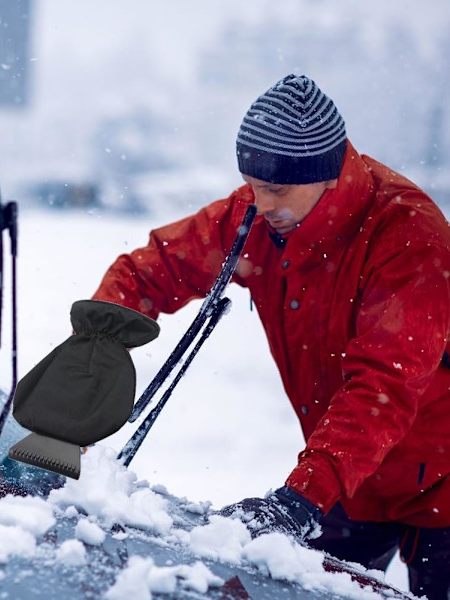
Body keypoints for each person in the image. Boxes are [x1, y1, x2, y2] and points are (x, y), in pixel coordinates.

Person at [90, 74, 450, 599]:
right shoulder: (256, 216)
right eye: (252, 185)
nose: (259, 202)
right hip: (347, 478)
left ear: (325, 176)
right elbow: (155, 267)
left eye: (276, 188)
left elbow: (383, 387)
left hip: (439, 482)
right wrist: (99, 335)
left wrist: (301, 498)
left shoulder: (407, 236)